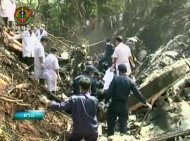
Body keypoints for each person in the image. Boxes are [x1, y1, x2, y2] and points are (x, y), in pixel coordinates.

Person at [105, 64, 152, 137]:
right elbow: (137, 94)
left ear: (118, 71)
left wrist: (105, 102)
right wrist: (146, 103)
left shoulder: (115, 79)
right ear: (126, 71)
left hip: (114, 105)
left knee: (110, 126)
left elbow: (109, 92)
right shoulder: (130, 81)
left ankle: (110, 137)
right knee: (123, 128)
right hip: (124, 106)